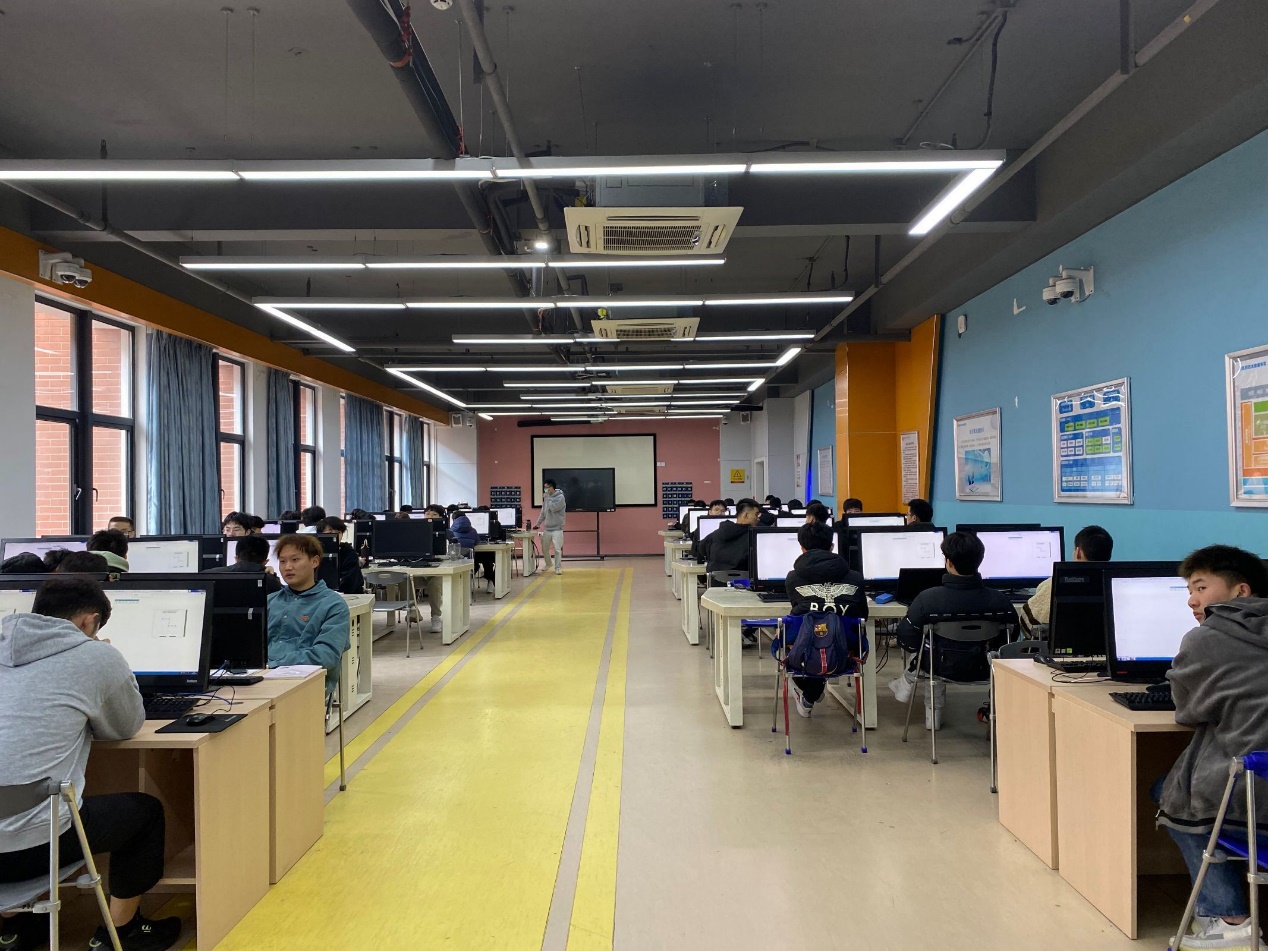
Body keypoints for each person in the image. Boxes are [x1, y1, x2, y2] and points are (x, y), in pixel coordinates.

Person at [0, 577, 183, 951]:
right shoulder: (95, 656)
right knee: (144, 813)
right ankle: (121, 933)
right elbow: (125, 726)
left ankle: (14, 929)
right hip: (34, 847)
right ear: (89, 621)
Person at [1153, 546, 1268, 951]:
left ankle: (1229, 919)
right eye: (1189, 590)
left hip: (1255, 792)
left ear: (1241, 591)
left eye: (1200, 587)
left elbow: (1188, 711)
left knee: (1173, 792)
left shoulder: (1206, 638)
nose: (1191, 599)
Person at [888, 531, 1016, 730]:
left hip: (939, 667)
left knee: (929, 651)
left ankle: (917, 697)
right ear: (980, 560)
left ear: (948, 562)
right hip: (985, 667)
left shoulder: (927, 599)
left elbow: (907, 640)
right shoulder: (1001, 601)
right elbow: (1010, 641)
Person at [778, 521, 868, 718]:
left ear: (802, 548)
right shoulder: (855, 577)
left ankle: (810, 692)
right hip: (848, 647)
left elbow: (798, 610)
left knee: (808, 634)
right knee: (827, 633)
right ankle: (813, 692)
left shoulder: (793, 578)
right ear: (832, 546)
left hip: (806, 646)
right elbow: (863, 616)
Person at [267, 534, 350, 694]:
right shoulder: (270, 601)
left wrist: (273, 664)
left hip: (306, 685)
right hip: (261, 678)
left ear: (314, 561)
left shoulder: (333, 605)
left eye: (295, 560)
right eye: (282, 561)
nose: (287, 567)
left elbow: (326, 655)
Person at [1020, 525, 1114, 637]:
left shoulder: (1054, 583)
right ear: (1109, 555)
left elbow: (1027, 623)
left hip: (1057, 647)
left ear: (1078, 552)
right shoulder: (1114, 583)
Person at [700, 498, 762, 574]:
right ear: (746, 515)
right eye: (756, 514)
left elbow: (701, 549)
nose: (758, 519)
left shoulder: (715, 534)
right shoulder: (754, 537)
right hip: (743, 580)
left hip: (715, 580)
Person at [207, 532, 282, 594]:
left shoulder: (208, 575)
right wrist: (273, 575)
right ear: (265, 562)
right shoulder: (271, 582)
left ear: (236, 558)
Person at [317, 517, 365, 594]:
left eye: (338, 532)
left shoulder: (348, 553)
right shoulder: (313, 553)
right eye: (330, 532)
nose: (335, 536)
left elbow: (351, 583)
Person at [535, 479, 567, 575]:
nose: (545, 489)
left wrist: (547, 498)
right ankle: (548, 563)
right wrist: (538, 523)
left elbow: (553, 508)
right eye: (544, 487)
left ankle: (558, 567)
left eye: (547, 487)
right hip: (547, 528)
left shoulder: (560, 498)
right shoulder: (547, 498)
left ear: (552, 487)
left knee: (557, 549)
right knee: (544, 548)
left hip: (557, 528)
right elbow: (543, 512)